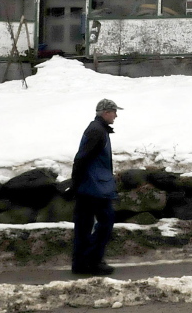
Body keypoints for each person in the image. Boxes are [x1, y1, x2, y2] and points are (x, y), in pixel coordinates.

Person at [71, 98, 123, 275]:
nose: (116, 115)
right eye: (114, 112)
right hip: (94, 187)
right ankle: (92, 261)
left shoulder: (98, 129)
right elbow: (81, 159)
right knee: (106, 222)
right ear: (106, 112)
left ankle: (81, 263)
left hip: (91, 185)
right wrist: (76, 184)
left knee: (84, 224)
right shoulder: (97, 131)